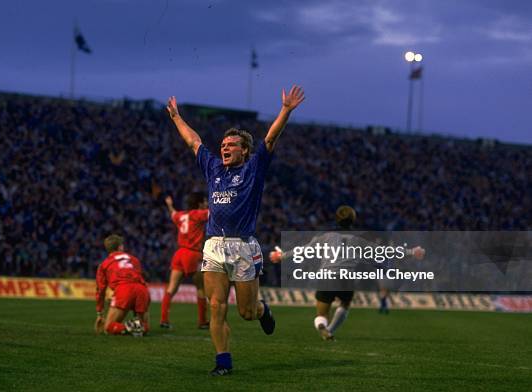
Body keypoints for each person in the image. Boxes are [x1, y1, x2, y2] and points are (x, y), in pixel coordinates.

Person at [167, 85, 305, 375]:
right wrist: (177, 118)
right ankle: (223, 362)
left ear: (244, 150)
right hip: (214, 246)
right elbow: (194, 142)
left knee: (246, 312)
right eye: (223, 145)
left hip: (244, 247)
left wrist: (286, 110)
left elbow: (270, 138)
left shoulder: (254, 168)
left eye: (231, 145)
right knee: (216, 306)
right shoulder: (214, 169)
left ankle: (262, 309)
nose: (224, 148)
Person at [270, 206, 425, 341]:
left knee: (321, 313)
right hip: (346, 278)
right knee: (345, 304)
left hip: (327, 276)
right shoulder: (359, 240)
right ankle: (330, 330)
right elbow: (384, 251)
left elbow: (303, 250)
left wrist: (281, 256)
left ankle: (323, 326)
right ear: (353, 220)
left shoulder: (325, 237)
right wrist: (411, 251)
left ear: (337, 219)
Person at [160, 193, 210, 329]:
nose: (207, 203)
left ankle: (164, 319)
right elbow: (215, 212)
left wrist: (169, 205)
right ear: (199, 204)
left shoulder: (181, 215)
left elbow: (173, 213)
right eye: (205, 201)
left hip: (179, 253)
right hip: (193, 253)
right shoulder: (199, 214)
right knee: (201, 288)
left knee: (172, 287)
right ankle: (202, 322)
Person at [95, 234, 150, 336]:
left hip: (123, 290)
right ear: (120, 247)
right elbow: (139, 277)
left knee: (108, 328)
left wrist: (100, 313)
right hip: (142, 289)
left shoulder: (103, 264)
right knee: (144, 327)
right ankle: (138, 326)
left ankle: (128, 327)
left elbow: (100, 290)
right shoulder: (134, 259)